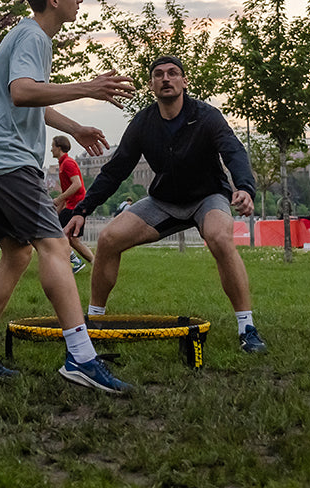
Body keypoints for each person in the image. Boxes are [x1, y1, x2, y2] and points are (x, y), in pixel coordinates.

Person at [0, 0, 137, 394]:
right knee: (54, 245)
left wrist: (74, 128)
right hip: (6, 159)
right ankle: (81, 358)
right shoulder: (34, 35)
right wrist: (88, 86)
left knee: (16, 254)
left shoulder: (27, 35)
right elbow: (23, 91)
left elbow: (29, 97)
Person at [66, 56, 267, 354]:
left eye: (173, 74)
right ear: (152, 85)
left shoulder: (207, 116)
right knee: (108, 239)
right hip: (164, 202)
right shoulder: (144, 123)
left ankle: (247, 327)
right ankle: (95, 322)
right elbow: (116, 170)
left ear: (184, 82)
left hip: (207, 197)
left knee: (221, 238)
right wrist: (83, 209)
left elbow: (233, 151)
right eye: (158, 75)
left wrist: (245, 188)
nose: (166, 79)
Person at [50, 136, 94, 274]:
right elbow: (67, 190)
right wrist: (57, 209)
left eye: (52, 146)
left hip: (75, 206)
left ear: (59, 147)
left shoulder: (68, 163)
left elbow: (77, 184)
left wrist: (59, 199)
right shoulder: (63, 164)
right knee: (73, 240)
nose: (51, 149)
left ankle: (74, 263)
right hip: (72, 205)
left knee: (57, 235)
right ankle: (96, 264)